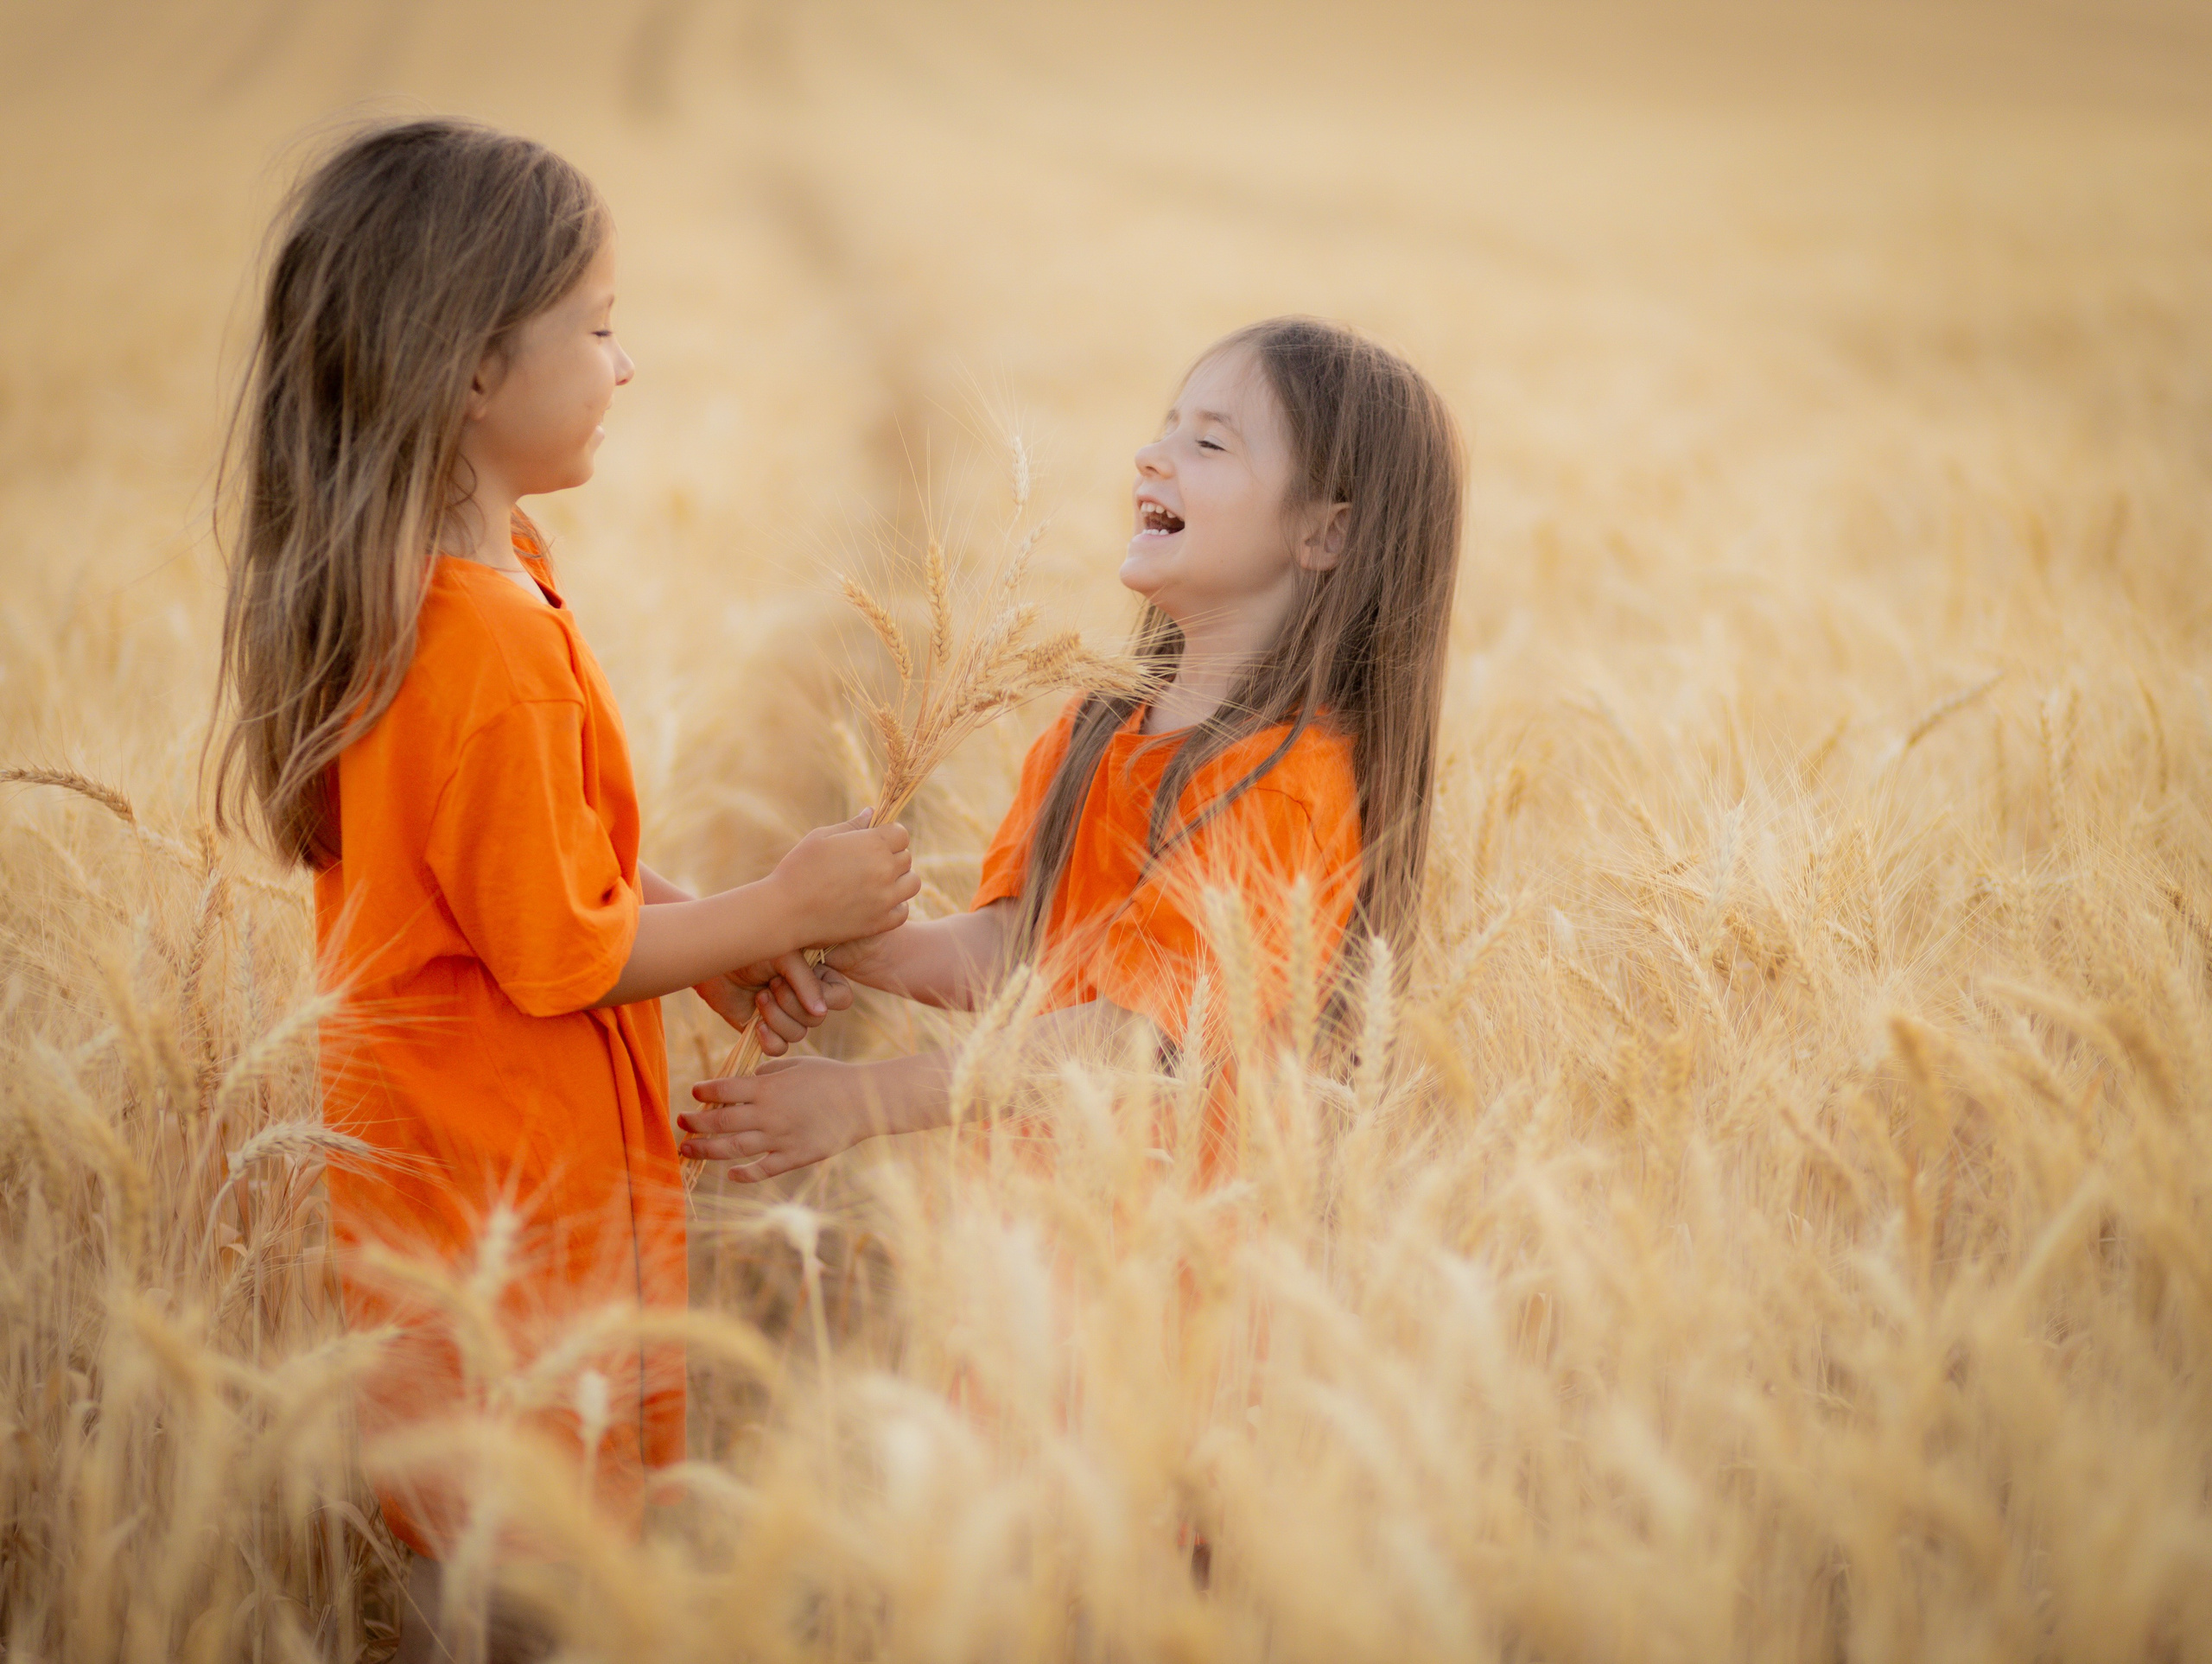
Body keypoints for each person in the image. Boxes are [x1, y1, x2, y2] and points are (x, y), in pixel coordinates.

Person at [207, 118, 916, 1657]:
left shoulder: (466, 577)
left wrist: (703, 939)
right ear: (471, 370)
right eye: (597, 329)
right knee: (537, 1583)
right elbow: (559, 953)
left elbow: (536, 857)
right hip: (506, 1220)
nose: (627, 364)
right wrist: (784, 908)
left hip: (456, 1189)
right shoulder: (484, 642)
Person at [679, 316, 1464, 1181]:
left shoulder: (1286, 785)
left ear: (1325, 534)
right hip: (1044, 1228)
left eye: (1206, 442)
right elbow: (1017, 951)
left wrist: (865, 1099)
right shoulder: (1095, 726)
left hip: (1181, 1260)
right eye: (1165, 426)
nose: (1151, 455)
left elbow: (1135, 1033)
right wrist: (838, 937)